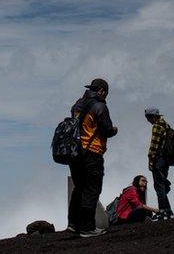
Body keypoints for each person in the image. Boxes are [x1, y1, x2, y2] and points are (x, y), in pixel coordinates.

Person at [67, 78, 118, 238]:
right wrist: (114, 130)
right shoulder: (100, 106)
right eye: (106, 93)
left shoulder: (77, 104)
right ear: (102, 90)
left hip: (75, 153)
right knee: (92, 189)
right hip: (92, 152)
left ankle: (73, 224)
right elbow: (107, 129)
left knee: (79, 188)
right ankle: (87, 228)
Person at [145, 107, 174, 219]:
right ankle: (167, 210)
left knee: (159, 186)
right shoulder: (166, 125)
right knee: (161, 184)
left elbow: (154, 146)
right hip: (166, 160)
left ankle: (163, 210)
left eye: (148, 118)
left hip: (159, 160)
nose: (148, 120)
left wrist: (151, 162)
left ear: (152, 116)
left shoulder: (157, 126)